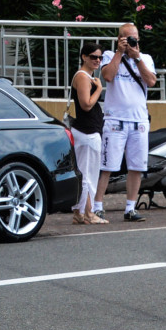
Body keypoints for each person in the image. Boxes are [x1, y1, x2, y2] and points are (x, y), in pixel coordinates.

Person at [94, 22, 157, 222]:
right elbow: (108, 76)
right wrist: (119, 53)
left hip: (138, 120)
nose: (132, 42)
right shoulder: (108, 56)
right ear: (119, 39)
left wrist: (136, 57)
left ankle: (130, 208)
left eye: (134, 39)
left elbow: (151, 81)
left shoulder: (145, 58)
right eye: (127, 38)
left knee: (136, 167)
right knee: (107, 166)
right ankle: (97, 206)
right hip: (115, 119)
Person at [69, 42, 107, 225]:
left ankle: (80, 212)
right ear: (84, 57)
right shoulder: (83, 77)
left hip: (87, 131)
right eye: (93, 57)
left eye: (99, 57)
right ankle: (88, 213)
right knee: (88, 175)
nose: (97, 60)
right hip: (87, 132)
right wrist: (99, 89)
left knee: (85, 174)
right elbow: (86, 104)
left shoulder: (85, 76)